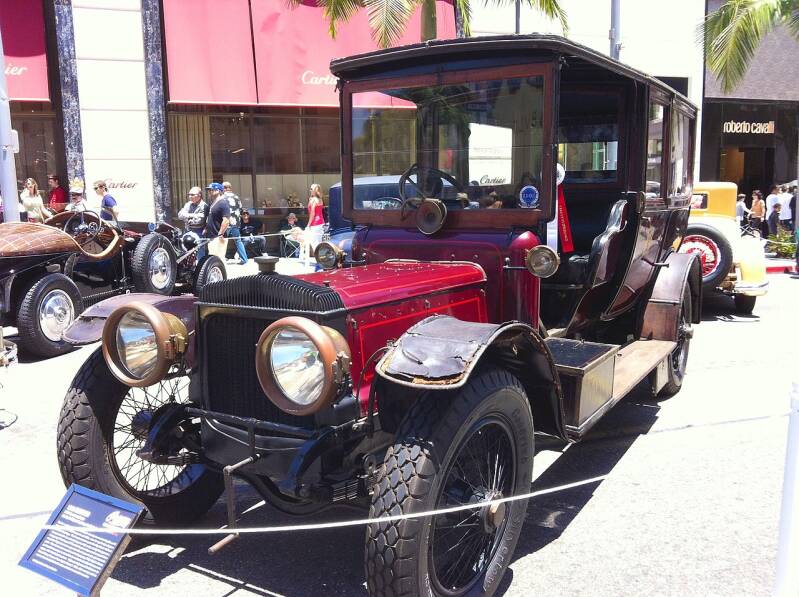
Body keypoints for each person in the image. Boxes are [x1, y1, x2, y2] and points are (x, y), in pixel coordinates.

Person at [201, 182, 230, 261]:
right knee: (212, 258)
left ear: (219, 191)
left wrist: (220, 234)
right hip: (211, 236)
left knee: (218, 260)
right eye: (209, 190)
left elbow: (226, 220)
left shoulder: (223, 203)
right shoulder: (212, 203)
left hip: (218, 236)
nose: (210, 191)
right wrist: (206, 228)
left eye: (212, 189)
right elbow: (211, 218)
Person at [221, 181, 247, 264]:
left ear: (224, 188)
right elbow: (240, 208)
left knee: (223, 240)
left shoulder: (222, 197)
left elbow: (221, 209)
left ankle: (221, 259)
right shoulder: (236, 197)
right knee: (238, 240)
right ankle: (244, 259)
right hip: (236, 222)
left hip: (226, 221)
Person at [306, 183, 325, 254]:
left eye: (311, 189)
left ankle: (318, 260)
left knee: (313, 242)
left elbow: (312, 213)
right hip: (321, 222)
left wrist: (308, 224)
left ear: (314, 190)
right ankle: (321, 259)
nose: (310, 190)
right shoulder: (320, 199)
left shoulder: (313, 200)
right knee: (319, 241)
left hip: (315, 223)